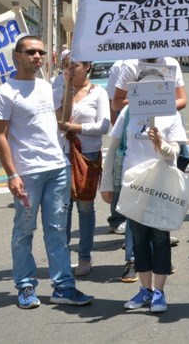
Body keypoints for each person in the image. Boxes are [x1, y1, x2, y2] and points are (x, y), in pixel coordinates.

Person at [0, 34, 94, 309]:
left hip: (57, 167)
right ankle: (25, 285)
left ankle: (63, 286)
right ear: (17, 56)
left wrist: (70, 88)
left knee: (58, 230)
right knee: (24, 230)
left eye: (40, 52)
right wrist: (12, 174)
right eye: (30, 52)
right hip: (28, 172)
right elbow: (0, 136)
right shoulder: (5, 93)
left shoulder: (45, 86)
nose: (37, 57)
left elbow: (62, 118)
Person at [101, 68, 186, 313]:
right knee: (139, 240)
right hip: (133, 185)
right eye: (143, 86)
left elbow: (175, 153)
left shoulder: (171, 115)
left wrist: (162, 146)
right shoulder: (128, 112)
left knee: (160, 239)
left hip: (160, 185)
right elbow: (114, 147)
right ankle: (145, 290)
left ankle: (159, 292)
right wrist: (107, 184)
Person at [55, 59, 110, 277]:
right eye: (65, 64)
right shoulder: (59, 89)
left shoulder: (98, 93)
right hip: (61, 154)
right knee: (63, 208)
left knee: (85, 207)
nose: (69, 68)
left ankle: (84, 256)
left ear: (87, 66)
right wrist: (65, 92)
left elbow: (103, 126)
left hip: (87, 155)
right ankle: (62, 256)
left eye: (74, 64)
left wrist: (74, 127)